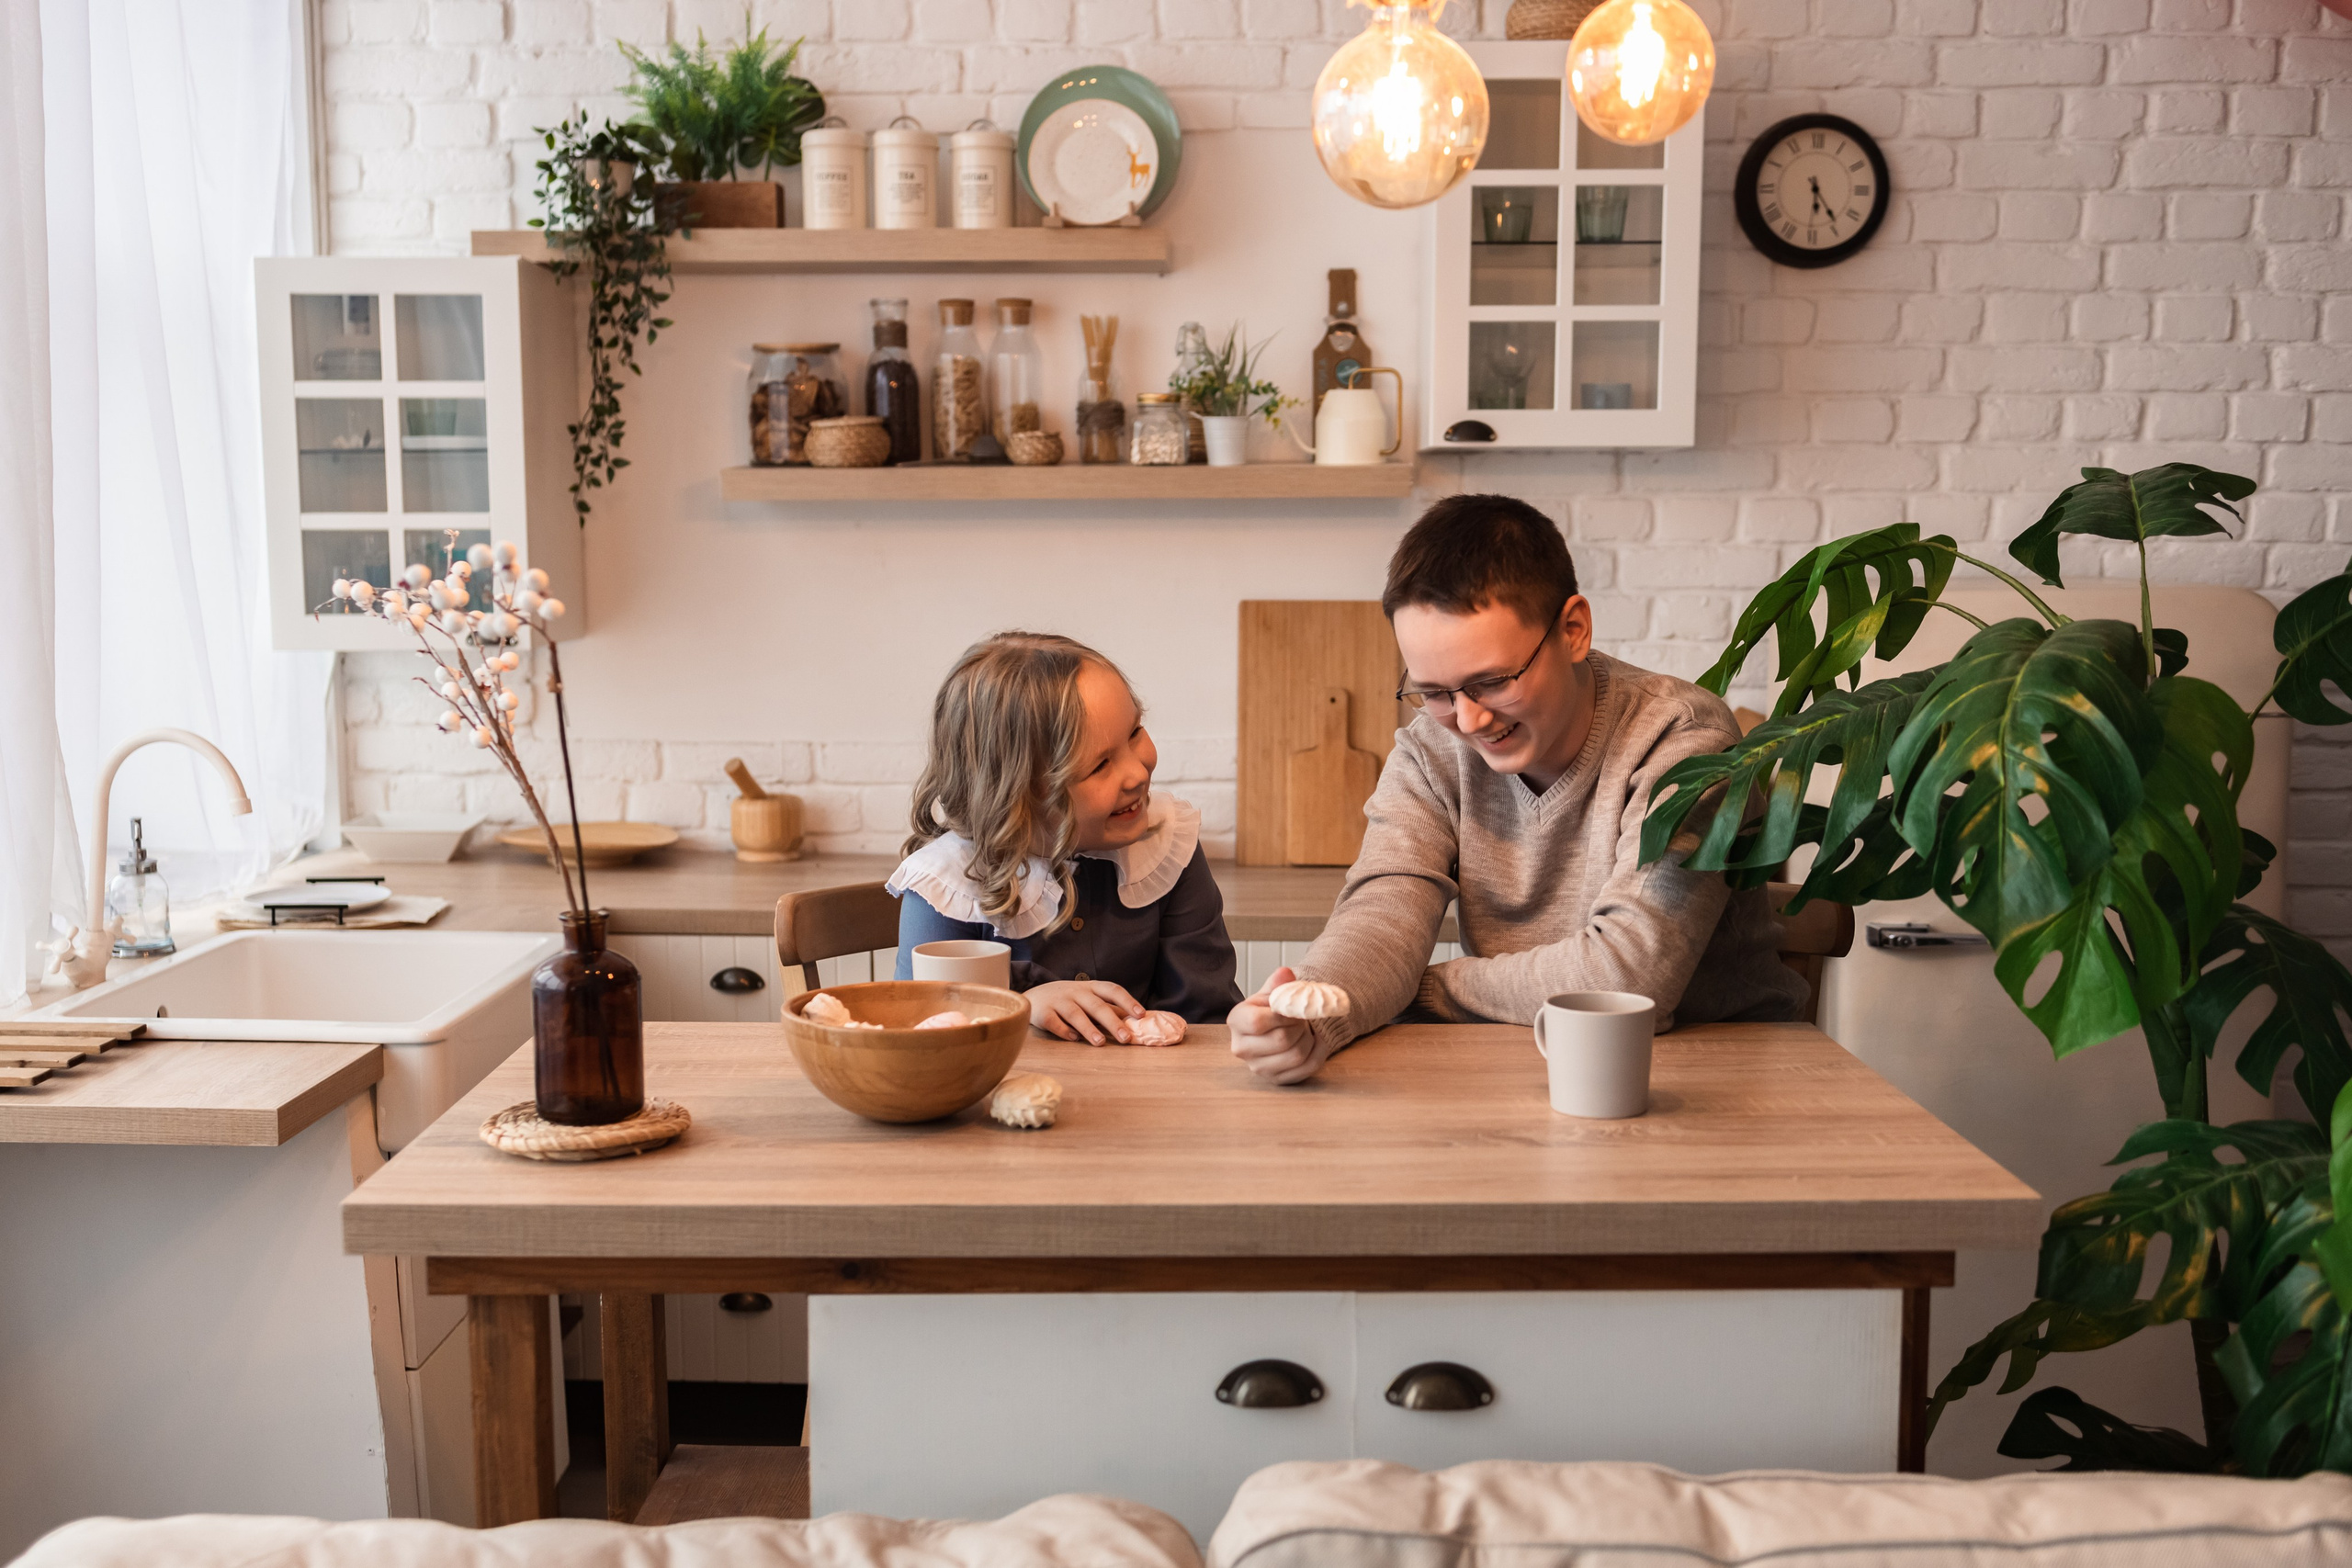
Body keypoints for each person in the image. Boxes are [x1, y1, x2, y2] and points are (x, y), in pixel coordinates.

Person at [1228, 493, 1807, 1082]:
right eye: (1434, 693)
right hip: (1520, 1059)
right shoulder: (1431, 752)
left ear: (1573, 630)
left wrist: (1415, 987)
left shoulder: (1682, 739)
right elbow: (1383, 914)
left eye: (1493, 681)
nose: (1470, 720)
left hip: (1727, 1071)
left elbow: (1629, 982)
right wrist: (1314, 1010)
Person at [891, 631, 1243, 1043]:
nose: (1138, 772)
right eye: (1099, 766)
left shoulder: (1167, 844)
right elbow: (922, 1030)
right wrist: (1024, 1008)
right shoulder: (947, 884)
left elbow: (1207, 1017)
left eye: (1134, 733)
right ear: (1015, 795)